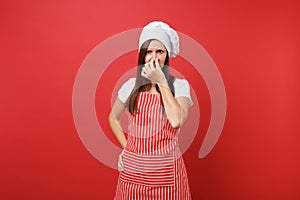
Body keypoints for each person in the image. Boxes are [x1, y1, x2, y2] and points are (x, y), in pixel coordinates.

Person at [108, 21, 193, 200]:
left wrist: (161, 81)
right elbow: (113, 118)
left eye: (160, 51)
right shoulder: (130, 86)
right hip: (133, 174)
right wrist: (127, 148)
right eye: (149, 51)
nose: (154, 57)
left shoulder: (179, 86)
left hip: (167, 178)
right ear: (142, 55)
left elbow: (177, 121)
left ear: (167, 55)